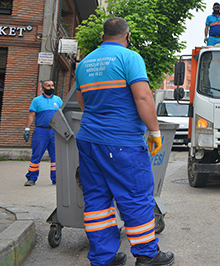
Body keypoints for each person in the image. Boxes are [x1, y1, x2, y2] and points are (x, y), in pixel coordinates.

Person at [75, 17, 174, 266]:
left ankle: (103, 258)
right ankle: (147, 255)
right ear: (127, 36)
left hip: (88, 140)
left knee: (97, 199)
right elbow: (143, 98)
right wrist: (154, 131)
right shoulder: (130, 58)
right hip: (122, 142)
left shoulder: (84, 64)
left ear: (102, 37)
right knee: (136, 196)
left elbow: (83, 104)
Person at [23, 80, 62, 186]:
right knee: (37, 155)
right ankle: (31, 178)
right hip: (41, 131)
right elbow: (31, 115)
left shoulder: (58, 100)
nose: (51, 87)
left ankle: (56, 178)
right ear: (43, 88)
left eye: (52, 85)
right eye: (48, 86)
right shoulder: (37, 101)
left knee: (56, 156)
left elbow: (62, 115)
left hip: (54, 131)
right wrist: (27, 128)